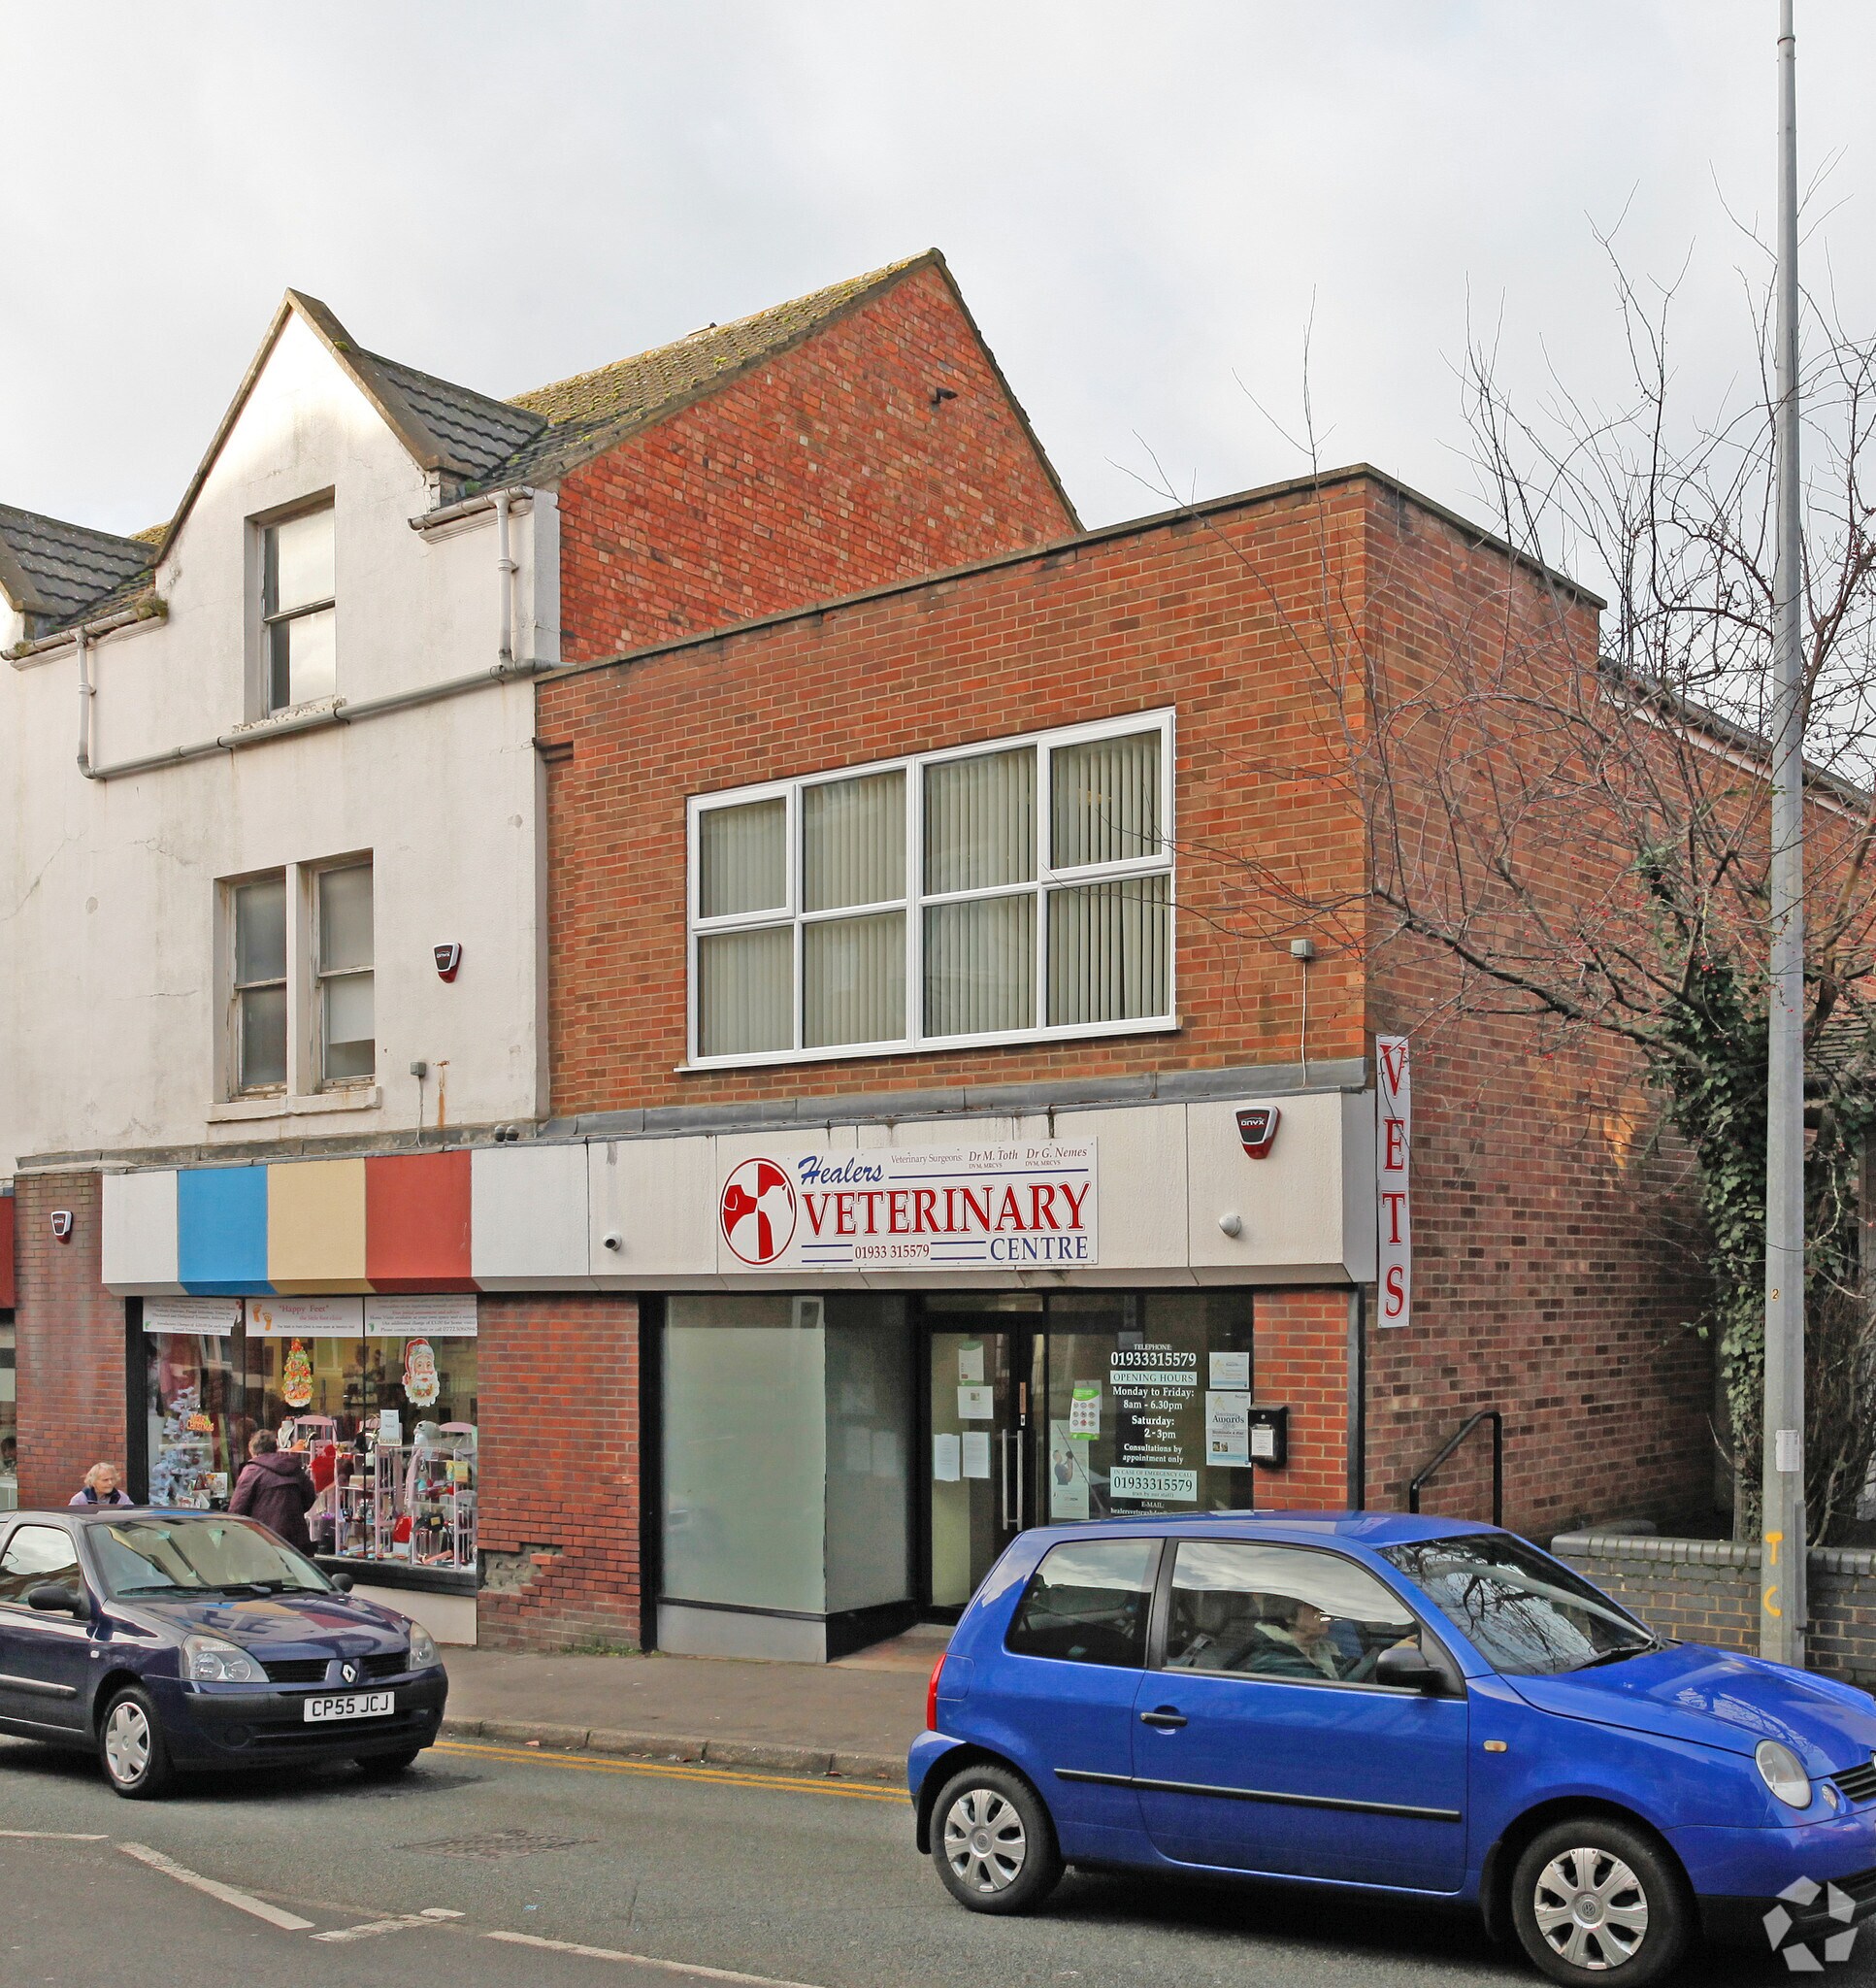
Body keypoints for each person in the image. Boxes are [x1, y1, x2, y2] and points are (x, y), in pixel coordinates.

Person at [227, 1430, 316, 1553]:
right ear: (275, 1448)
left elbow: (237, 1508)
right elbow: (310, 1496)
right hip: (296, 1540)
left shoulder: (252, 1471)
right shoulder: (294, 1468)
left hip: (264, 1539)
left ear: (253, 1450)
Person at [69, 1462, 135, 1508]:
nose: (110, 1483)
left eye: (112, 1479)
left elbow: (132, 1515)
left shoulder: (121, 1497)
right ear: (93, 1482)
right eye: (105, 1480)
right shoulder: (80, 1499)